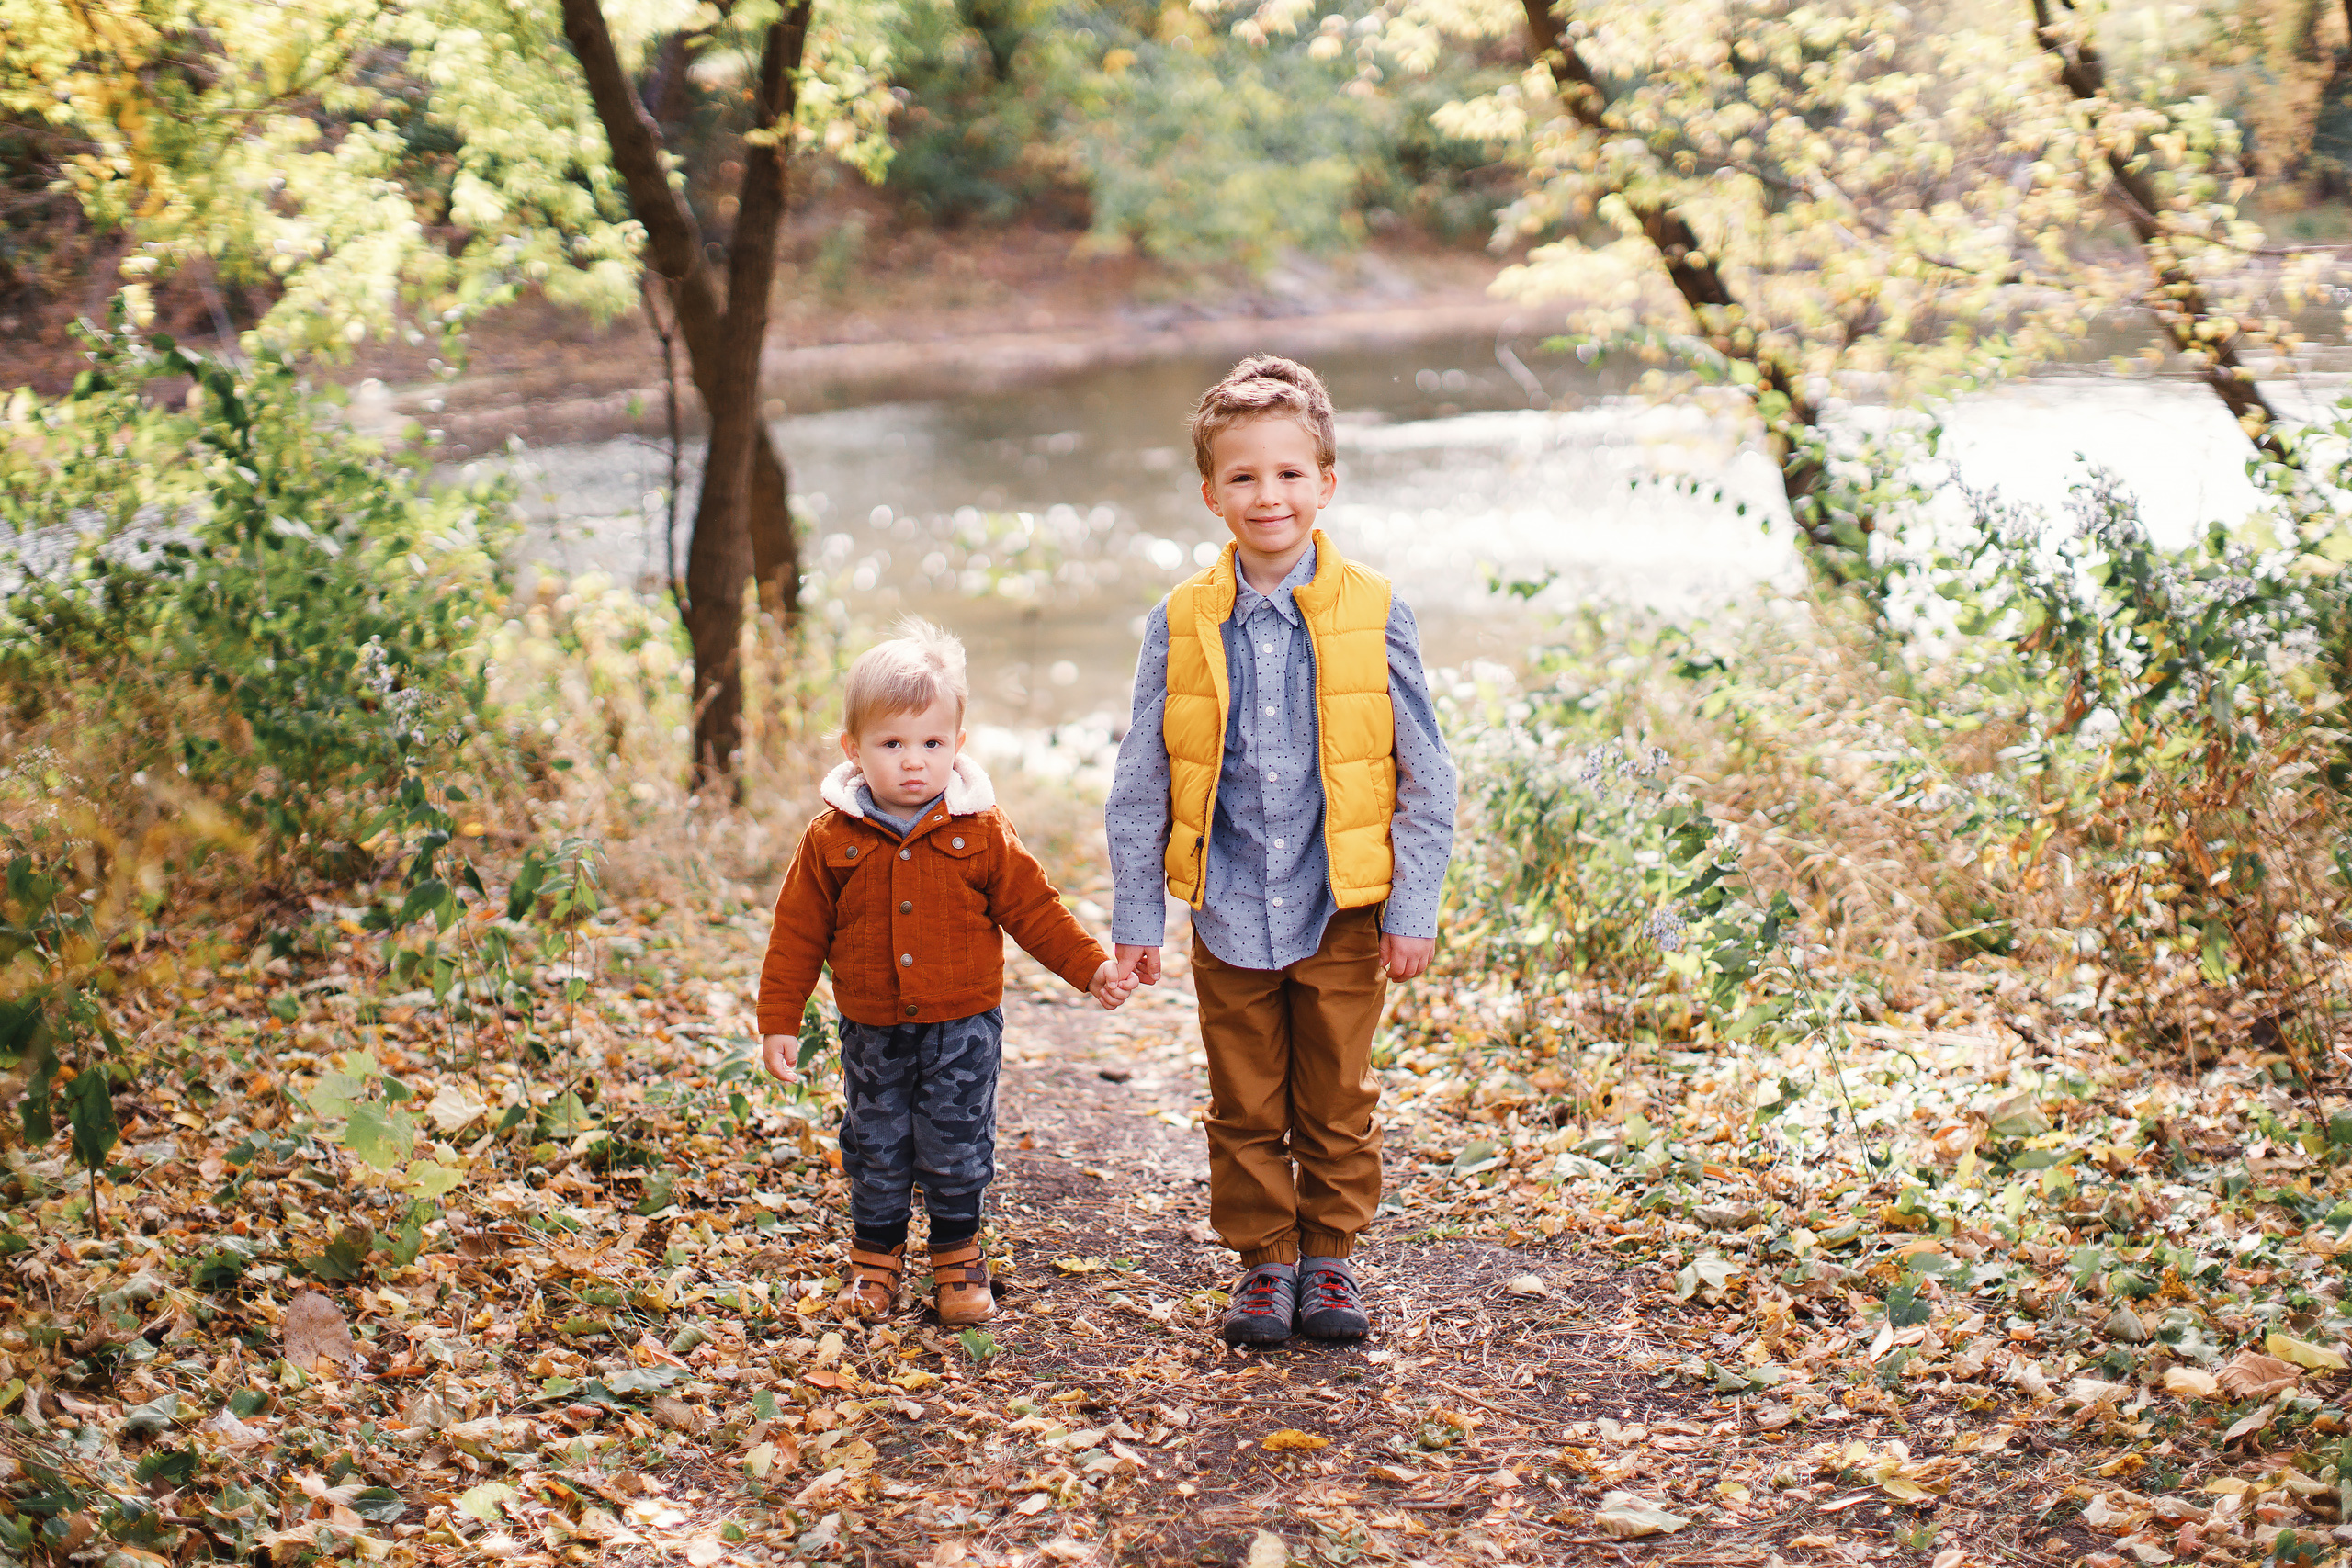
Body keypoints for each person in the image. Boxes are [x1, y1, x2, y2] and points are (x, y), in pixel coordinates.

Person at [1106, 355, 1458, 1346]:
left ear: (1327, 484)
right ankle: (1264, 1262)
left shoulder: (1375, 607)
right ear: (1212, 494)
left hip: (1341, 902)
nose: (1271, 495)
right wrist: (1140, 917)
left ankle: (1331, 1257)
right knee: (1244, 1098)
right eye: (1247, 477)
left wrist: (1411, 905)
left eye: (1291, 473)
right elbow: (1141, 779)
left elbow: (1426, 771)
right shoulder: (1179, 620)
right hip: (1227, 905)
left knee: (1337, 1094)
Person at [758, 619, 1136, 1325]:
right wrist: (780, 1018)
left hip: (961, 1026)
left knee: (956, 1142)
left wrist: (1089, 968)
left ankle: (957, 1257)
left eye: (931, 743)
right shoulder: (831, 840)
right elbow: (796, 934)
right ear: (854, 749)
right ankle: (875, 1259)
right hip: (872, 1029)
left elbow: (1035, 909)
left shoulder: (981, 829)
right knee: (875, 1142)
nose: (913, 762)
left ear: (957, 746)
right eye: (891, 744)